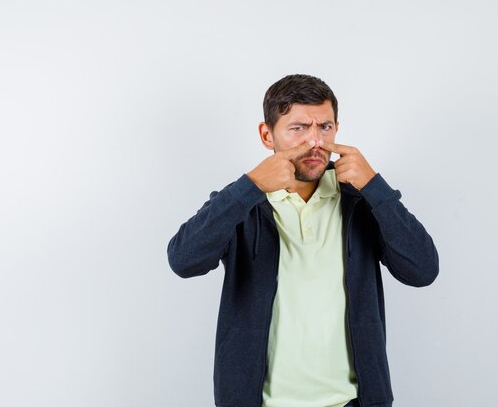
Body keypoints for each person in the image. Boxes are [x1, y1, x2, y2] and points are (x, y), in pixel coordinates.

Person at [167, 74, 439, 407]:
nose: (315, 142)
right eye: (298, 128)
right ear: (268, 135)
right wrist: (250, 186)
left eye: (324, 127)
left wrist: (375, 187)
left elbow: (423, 270)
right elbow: (183, 260)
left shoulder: (361, 202)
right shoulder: (243, 206)